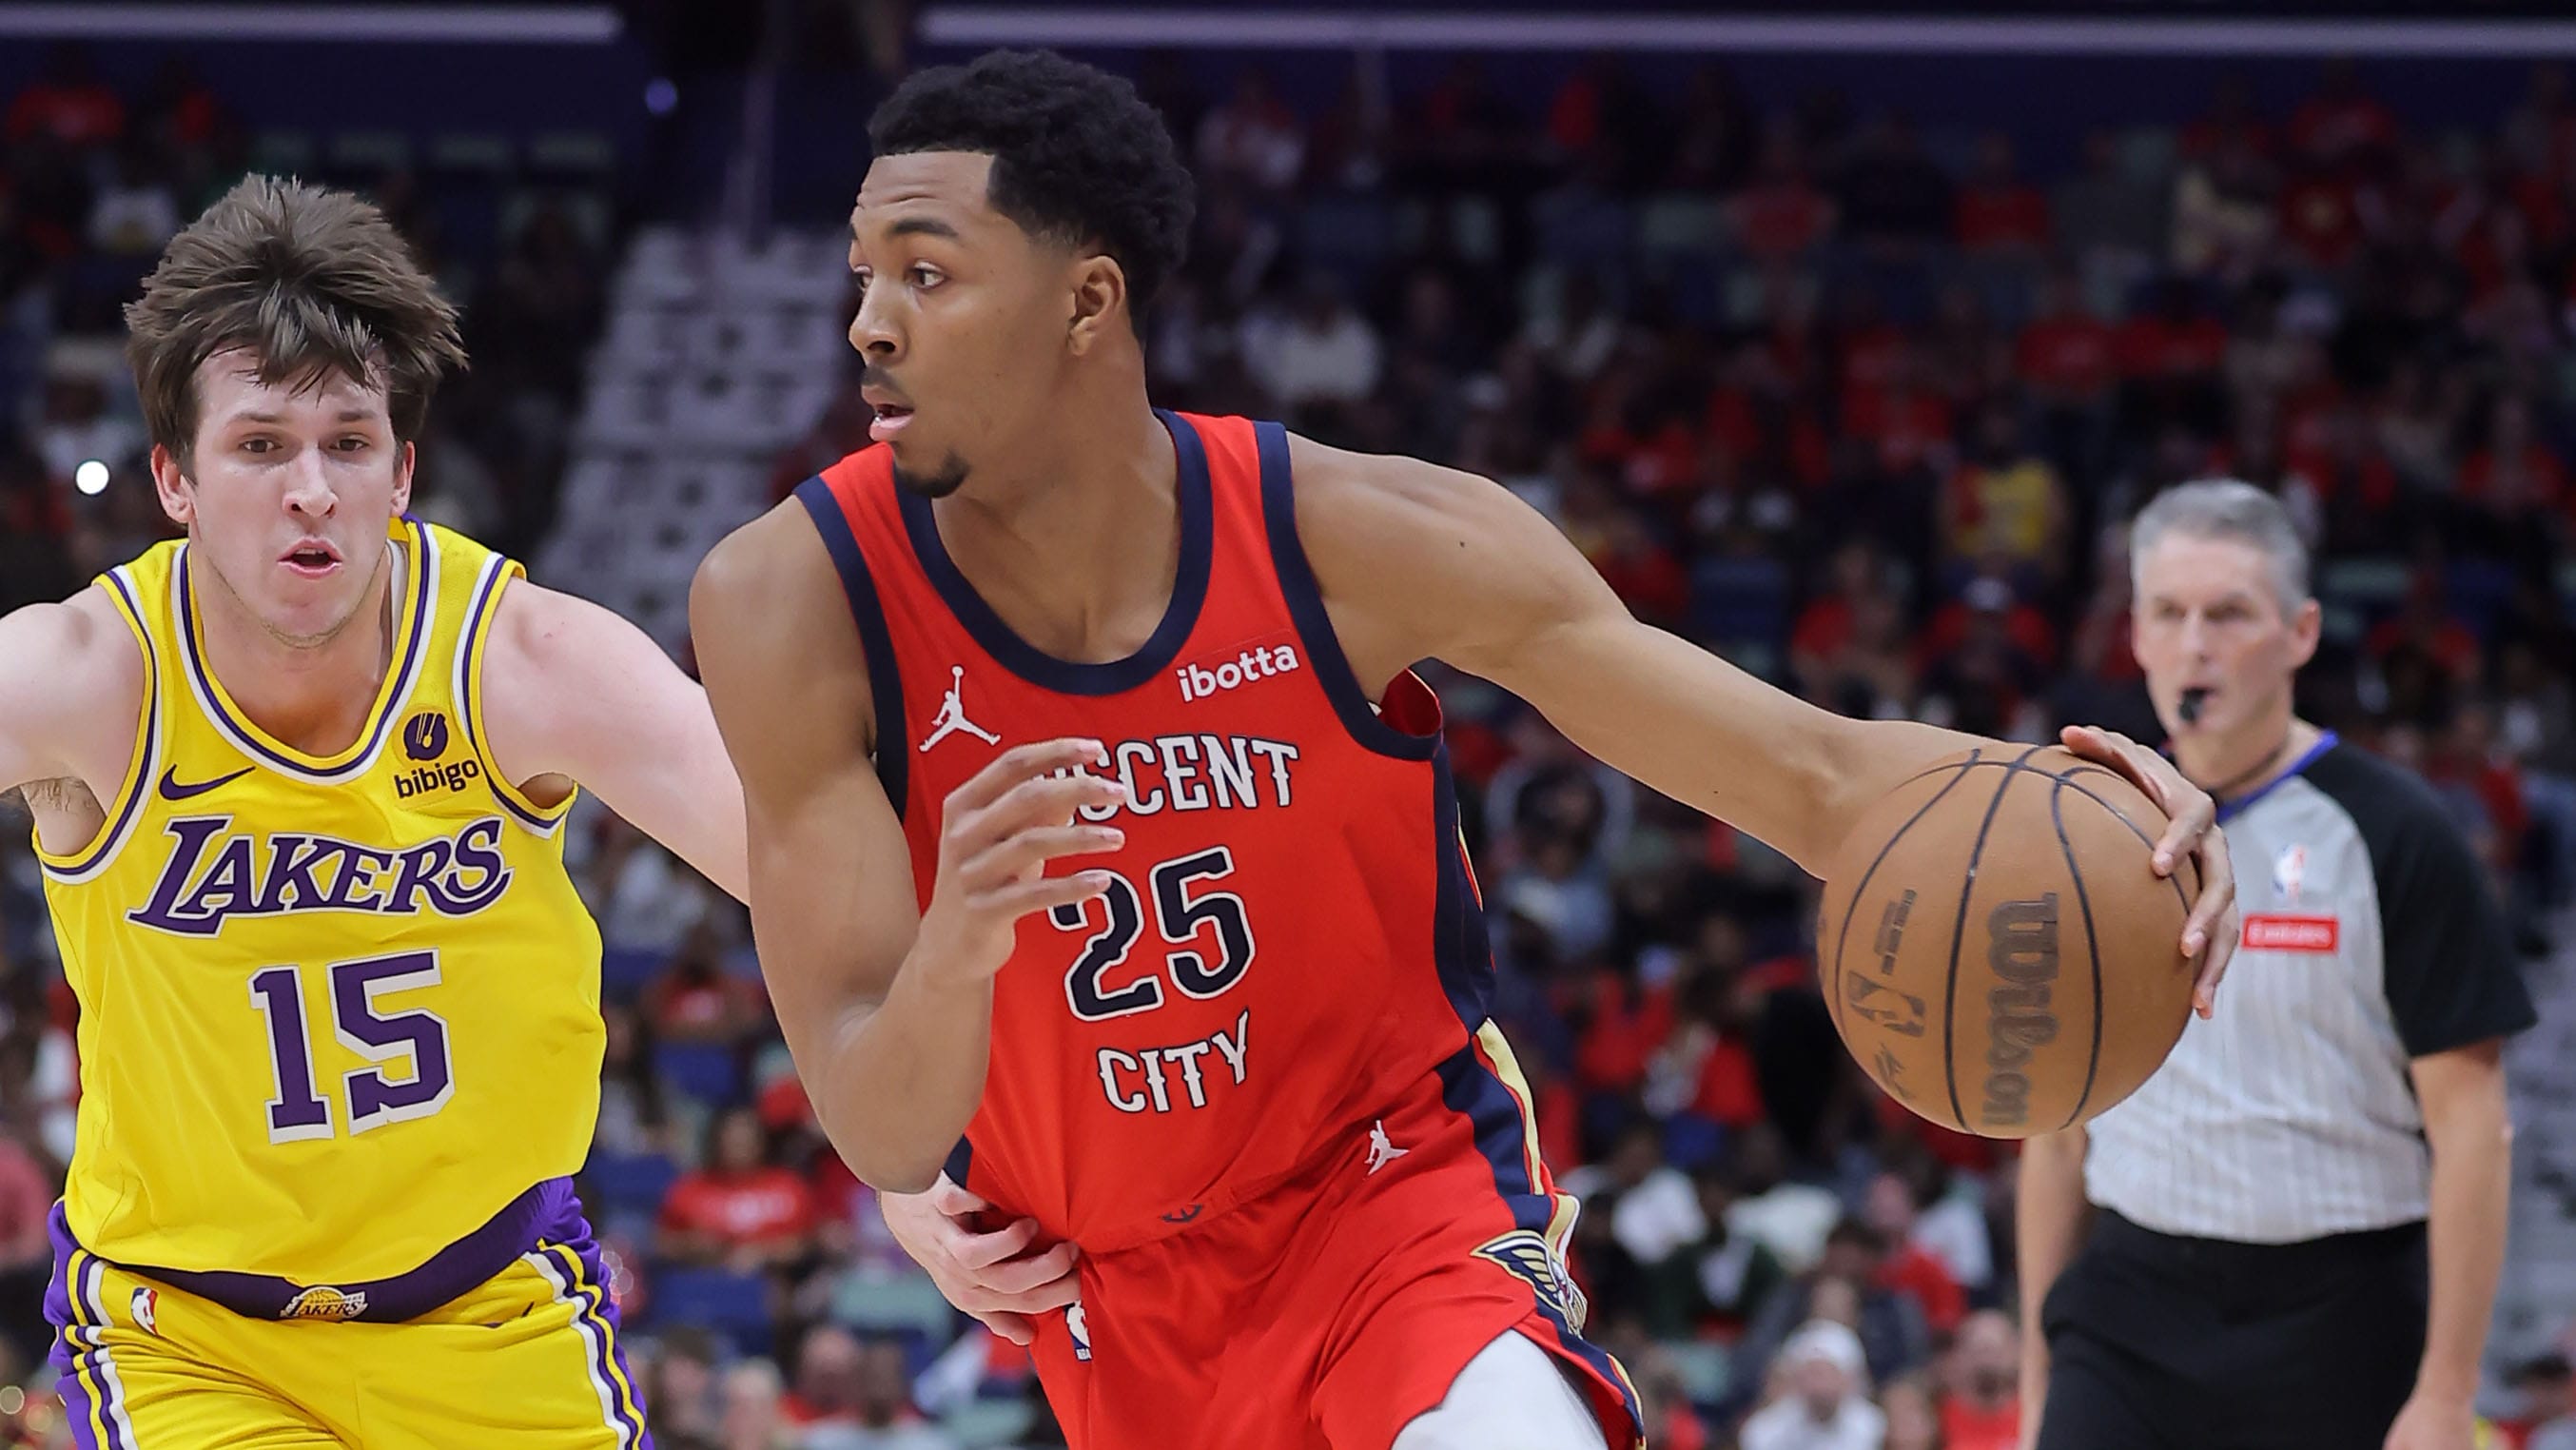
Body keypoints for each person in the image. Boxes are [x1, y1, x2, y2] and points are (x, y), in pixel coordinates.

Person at [688, 49, 2238, 1450]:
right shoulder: (789, 604)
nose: (868, 323)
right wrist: (958, 945)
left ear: (1087, 303)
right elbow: (879, 1120)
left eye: (926, 273)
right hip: (1118, 1302)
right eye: (864, 273)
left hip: (1393, 1199)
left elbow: (1812, 776)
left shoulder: (1356, 537)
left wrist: (2100, 810)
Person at [0, 176, 750, 1446]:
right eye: (260, 446)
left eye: (347, 443)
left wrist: (920, 1152)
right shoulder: (84, 679)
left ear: (402, 472)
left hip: (492, 1307)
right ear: (176, 479)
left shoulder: (522, 661)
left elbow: (818, 878)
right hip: (190, 1334)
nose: (311, 489)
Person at [2017, 480, 2536, 1450]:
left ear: (2300, 634)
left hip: (2341, 1313)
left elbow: (2472, 1130)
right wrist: (2035, 1379)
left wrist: (2443, 1392)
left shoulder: (2397, 831)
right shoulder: (2080, 831)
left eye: (2228, 614)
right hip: (2127, 1307)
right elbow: (2052, 1137)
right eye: (2167, 613)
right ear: (2134, 636)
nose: (2195, 644)